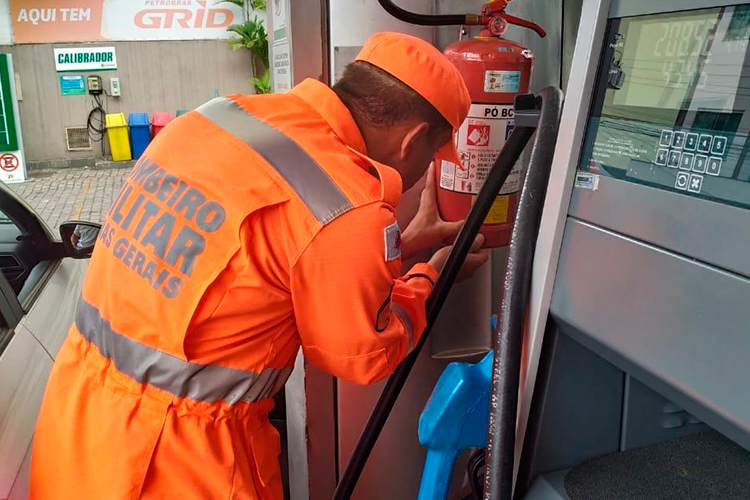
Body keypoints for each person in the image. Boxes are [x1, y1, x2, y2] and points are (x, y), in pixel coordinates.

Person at [30, 32, 488, 499]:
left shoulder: (215, 120)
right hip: (177, 461)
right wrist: (432, 274)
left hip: (78, 421)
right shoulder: (347, 203)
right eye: (434, 152)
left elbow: (269, 254)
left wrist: (404, 244)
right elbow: (362, 355)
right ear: (412, 140)